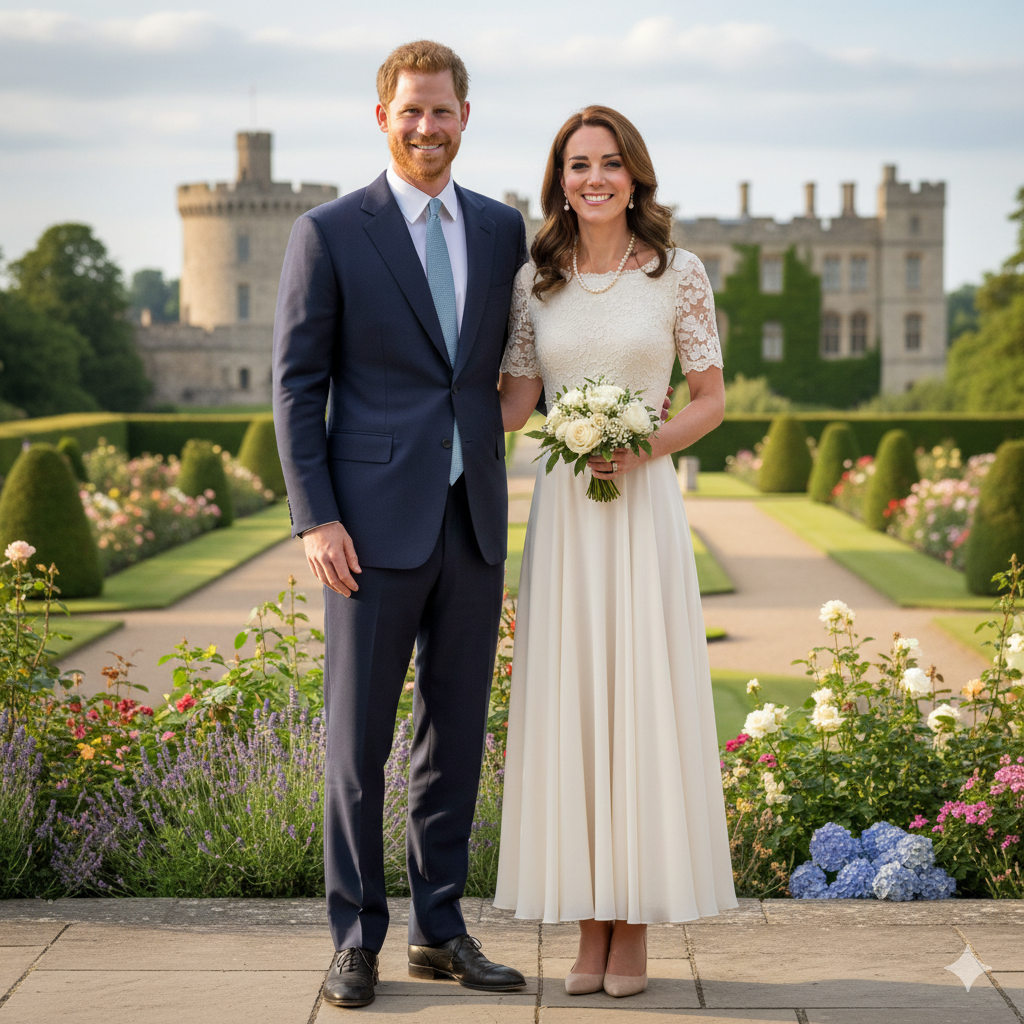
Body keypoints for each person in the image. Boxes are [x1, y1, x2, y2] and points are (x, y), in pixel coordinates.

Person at [272, 40, 530, 1008]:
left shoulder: (503, 229)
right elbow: (296, 388)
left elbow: (509, 362)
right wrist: (316, 519)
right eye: (410, 110)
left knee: (453, 737)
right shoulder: (330, 231)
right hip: (366, 532)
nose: (427, 126)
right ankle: (353, 938)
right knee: (356, 746)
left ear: (467, 117)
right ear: (382, 116)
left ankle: (440, 929)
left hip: (471, 522)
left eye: (442, 110)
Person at [494, 105, 739, 999]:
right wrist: (402, 415)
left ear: (635, 174)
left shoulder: (679, 275)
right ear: (558, 178)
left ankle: (628, 927)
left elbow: (710, 398)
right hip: (565, 518)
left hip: (640, 512)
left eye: (608, 163)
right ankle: (586, 924)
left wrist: (645, 447)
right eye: (576, 164)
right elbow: (516, 403)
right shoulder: (537, 280)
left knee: (636, 700)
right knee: (574, 706)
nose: (592, 178)